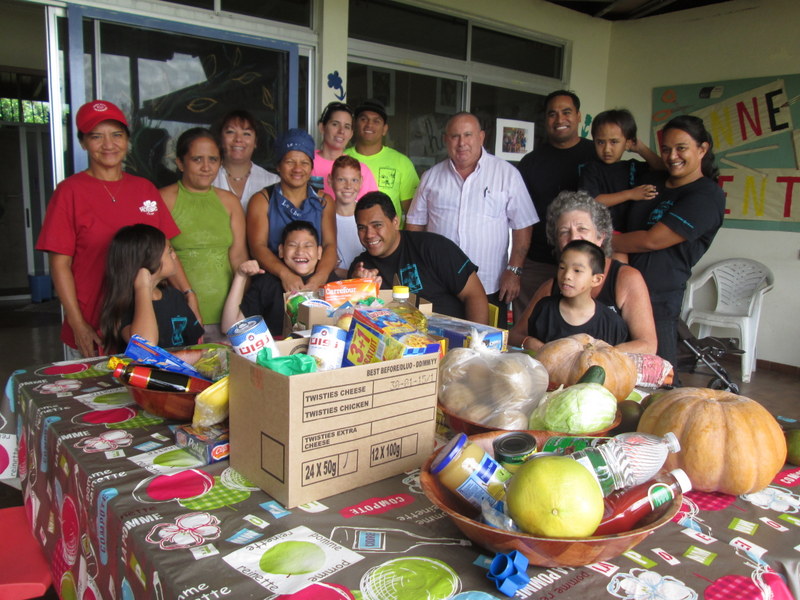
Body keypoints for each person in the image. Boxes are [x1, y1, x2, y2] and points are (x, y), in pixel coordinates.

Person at [36, 99, 194, 358]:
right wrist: (77, 322)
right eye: (96, 136)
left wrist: (188, 293)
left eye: (117, 135)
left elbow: (166, 249)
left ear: (127, 139)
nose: (108, 144)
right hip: (95, 321)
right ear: (83, 142)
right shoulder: (69, 192)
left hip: (145, 321)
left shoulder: (144, 189)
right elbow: (60, 264)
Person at [613, 115, 725, 366]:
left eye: (681, 148)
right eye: (666, 149)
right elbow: (661, 165)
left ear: (702, 149)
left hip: (659, 298)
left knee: (659, 374)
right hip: (621, 290)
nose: (672, 156)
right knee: (617, 369)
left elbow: (651, 240)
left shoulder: (707, 196)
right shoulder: (655, 181)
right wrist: (641, 148)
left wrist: (599, 243)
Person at [406, 112, 538, 309]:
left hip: (490, 284)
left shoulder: (507, 174)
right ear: (445, 139)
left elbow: (523, 225)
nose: (462, 143)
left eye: (468, 135)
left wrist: (514, 271)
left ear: (481, 137)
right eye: (455, 136)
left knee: (487, 331)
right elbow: (414, 225)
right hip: (439, 284)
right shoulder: (431, 177)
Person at [509, 191, 657, 354]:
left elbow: (648, 345)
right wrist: (531, 343)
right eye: (564, 232)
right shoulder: (552, 287)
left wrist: (600, 355)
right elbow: (514, 335)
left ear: (600, 237)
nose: (574, 237)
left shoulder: (626, 278)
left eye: (582, 229)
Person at [158, 127, 248, 342]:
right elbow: (159, 258)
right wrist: (188, 296)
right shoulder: (164, 199)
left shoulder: (230, 202)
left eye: (213, 159)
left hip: (226, 314)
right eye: (197, 159)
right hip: (178, 313)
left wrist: (238, 307)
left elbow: (238, 258)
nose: (206, 167)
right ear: (180, 163)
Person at [349, 192, 489, 323]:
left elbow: (474, 294)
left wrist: (476, 339)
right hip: (397, 339)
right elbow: (349, 320)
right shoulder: (361, 269)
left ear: (395, 222)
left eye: (377, 225)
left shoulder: (433, 247)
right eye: (362, 228)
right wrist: (356, 288)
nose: (369, 234)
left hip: (451, 335)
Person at [515, 90, 596, 319]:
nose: (560, 119)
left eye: (566, 112)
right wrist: (516, 267)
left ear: (578, 116)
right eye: (552, 114)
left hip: (585, 263)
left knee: (577, 325)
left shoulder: (596, 155)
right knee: (530, 323)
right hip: (538, 261)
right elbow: (520, 218)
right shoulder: (531, 163)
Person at [246, 128, 338, 293]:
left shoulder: (324, 201)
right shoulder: (261, 200)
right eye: (290, 162)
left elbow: (330, 245)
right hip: (273, 278)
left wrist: (320, 277)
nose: (297, 169)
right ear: (278, 166)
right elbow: (257, 247)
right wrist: (285, 274)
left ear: (311, 167)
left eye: (304, 163)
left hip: (315, 279)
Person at [100, 224, 203, 354]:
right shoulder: (124, 306)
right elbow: (145, 347)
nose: (174, 256)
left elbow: (196, 346)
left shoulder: (175, 296)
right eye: (169, 251)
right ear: (149, 260)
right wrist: (143, 287)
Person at [222, 221, 335, 336]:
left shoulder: (335, 286)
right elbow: (229, 327)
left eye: (308, 245)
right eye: (292, 245)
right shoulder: (267, 283)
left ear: (319, 252)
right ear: (281, 251)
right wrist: (240, 276)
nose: (300, 251)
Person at [521, 239, 629, 350]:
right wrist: (528, 342)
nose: (566, 275)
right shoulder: (544, 309)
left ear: (596, 279)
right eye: (562, 268)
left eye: (577, 270)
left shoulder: (612, 324)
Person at [579, 108, 662, 231]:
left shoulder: (632, 167)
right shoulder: (591, 169)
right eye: (600, 142)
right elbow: (592, 201)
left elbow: (662, 168)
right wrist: (630, 194)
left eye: (614, 142)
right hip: (600, 233)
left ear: (628, 143)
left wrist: (641, 148)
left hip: (630, 234)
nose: (607, 149)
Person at [345, 99, 419, 223]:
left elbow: (414, 214)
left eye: (376, 121)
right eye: (363, 119)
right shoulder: (341, 159)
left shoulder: (402, 162)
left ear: (385, 129)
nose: (369, 125)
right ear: (355, 125)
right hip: (343, 233)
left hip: (387, 235)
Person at [211, 109, 280, 211]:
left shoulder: (273, 182)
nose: (238, 139)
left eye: (246, 134)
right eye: (230, 132)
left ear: (255, 142)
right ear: (220, 139)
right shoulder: (208, 179)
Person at [310, 101, 379, 200]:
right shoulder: (306, 162)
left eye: (347, 127)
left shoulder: (360, 170)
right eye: (335, 124)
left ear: (351, 134)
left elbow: (372, 206)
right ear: (322, 128)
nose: (341, 131)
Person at [329, 155, 366, 278]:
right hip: (332, 284)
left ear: (361, 181)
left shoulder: (367, 215)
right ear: (330, 180)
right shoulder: (322, 216)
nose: (348, 186)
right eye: (341, 180)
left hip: (363, 284)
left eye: (354, 180)